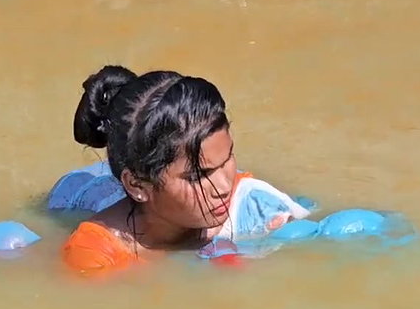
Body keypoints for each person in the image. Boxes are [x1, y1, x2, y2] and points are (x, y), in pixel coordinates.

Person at [60, 65, 310, 276]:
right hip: (80, 190)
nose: (224, 186)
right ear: (137, 185)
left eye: (227, 159)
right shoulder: (94, 253)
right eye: (198, 176)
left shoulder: (255, 204)